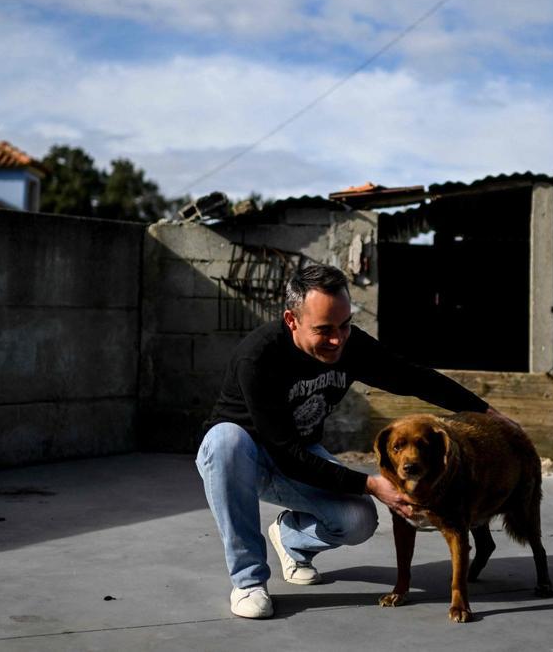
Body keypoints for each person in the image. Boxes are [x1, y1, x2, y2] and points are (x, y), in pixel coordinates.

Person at [195, 264, 518, 618]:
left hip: (300, 453)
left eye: (345, 324)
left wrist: (486, 412)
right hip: (245, 459)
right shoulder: (258, 357)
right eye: (324, 330)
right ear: (291, 320)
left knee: (359, 521)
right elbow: (282, 452)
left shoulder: (351, 345)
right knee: (224, 440)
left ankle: (290, 538)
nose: (337, 339)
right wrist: (370, 483)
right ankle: (248, 580)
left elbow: (412, 377)